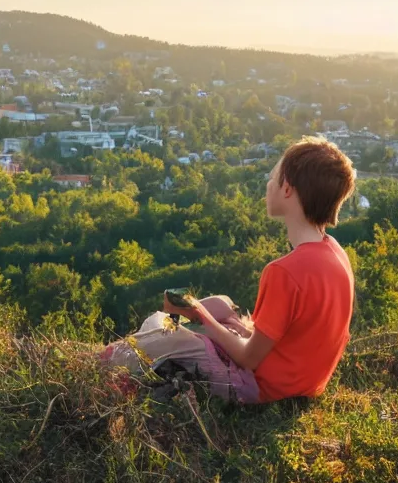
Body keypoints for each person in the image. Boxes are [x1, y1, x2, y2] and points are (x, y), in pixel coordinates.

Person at [103, 137, 356, 403]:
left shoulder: (284, 272)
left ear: (288, 190)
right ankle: (145, 343)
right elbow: (292, 335)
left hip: (263, 387)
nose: (268, 185)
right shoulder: (334, 252)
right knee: (220, 304)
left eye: (273, 178)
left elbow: (248, 357)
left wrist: (203, 318)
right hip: (304, 381)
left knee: (169, 337)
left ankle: (95, 363)